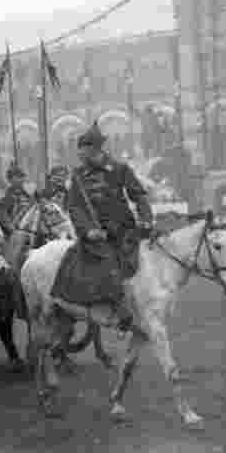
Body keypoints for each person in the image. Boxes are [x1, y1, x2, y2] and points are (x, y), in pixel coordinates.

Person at [52, 122, 153, 332]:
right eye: (80, 151)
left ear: (94, 150)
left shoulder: (120, 169)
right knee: (107, 260)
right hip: (97, 237)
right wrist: (89, 230)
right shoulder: (78, 176)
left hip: (125, 229)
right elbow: (75, 208)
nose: (79, 155)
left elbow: (139, 195)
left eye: (83, 151)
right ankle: (121, 310)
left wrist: (146, 218)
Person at [0, 163, 33, 234]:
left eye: (22, 177)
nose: (21, 180)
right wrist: (14, 231)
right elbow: (4, 218)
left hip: (31, 231)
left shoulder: (29, 196)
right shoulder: (6, 198)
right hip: (15, 234)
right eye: (18, 177)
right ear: (10, 180)